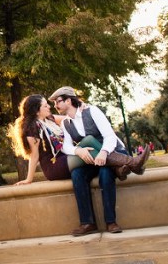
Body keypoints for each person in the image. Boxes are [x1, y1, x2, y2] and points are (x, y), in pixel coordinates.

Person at [50, 86, 150, 236]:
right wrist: (79, 150)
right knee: (77, 174)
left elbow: (109, 136)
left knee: (105, 173)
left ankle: (111, 222)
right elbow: (66, 146)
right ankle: (87, 223)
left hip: (112, 151)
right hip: (93, 160)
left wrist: (103, 152)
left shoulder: (92, 111)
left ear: (69, 100)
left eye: (58, 101)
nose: (55, 106)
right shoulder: (65, 123)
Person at [10, 94, 106, 185]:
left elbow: (72, 118)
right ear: (37, 111)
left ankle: (116, 159)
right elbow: (34, 156)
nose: (49, 107)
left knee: (89, 140)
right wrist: (29, 179)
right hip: (53, 165)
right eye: (45, 106)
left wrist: (81, 108)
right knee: (92, 153)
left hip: (64, 156)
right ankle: (118, 163)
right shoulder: (33, 129)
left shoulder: (49, 119)